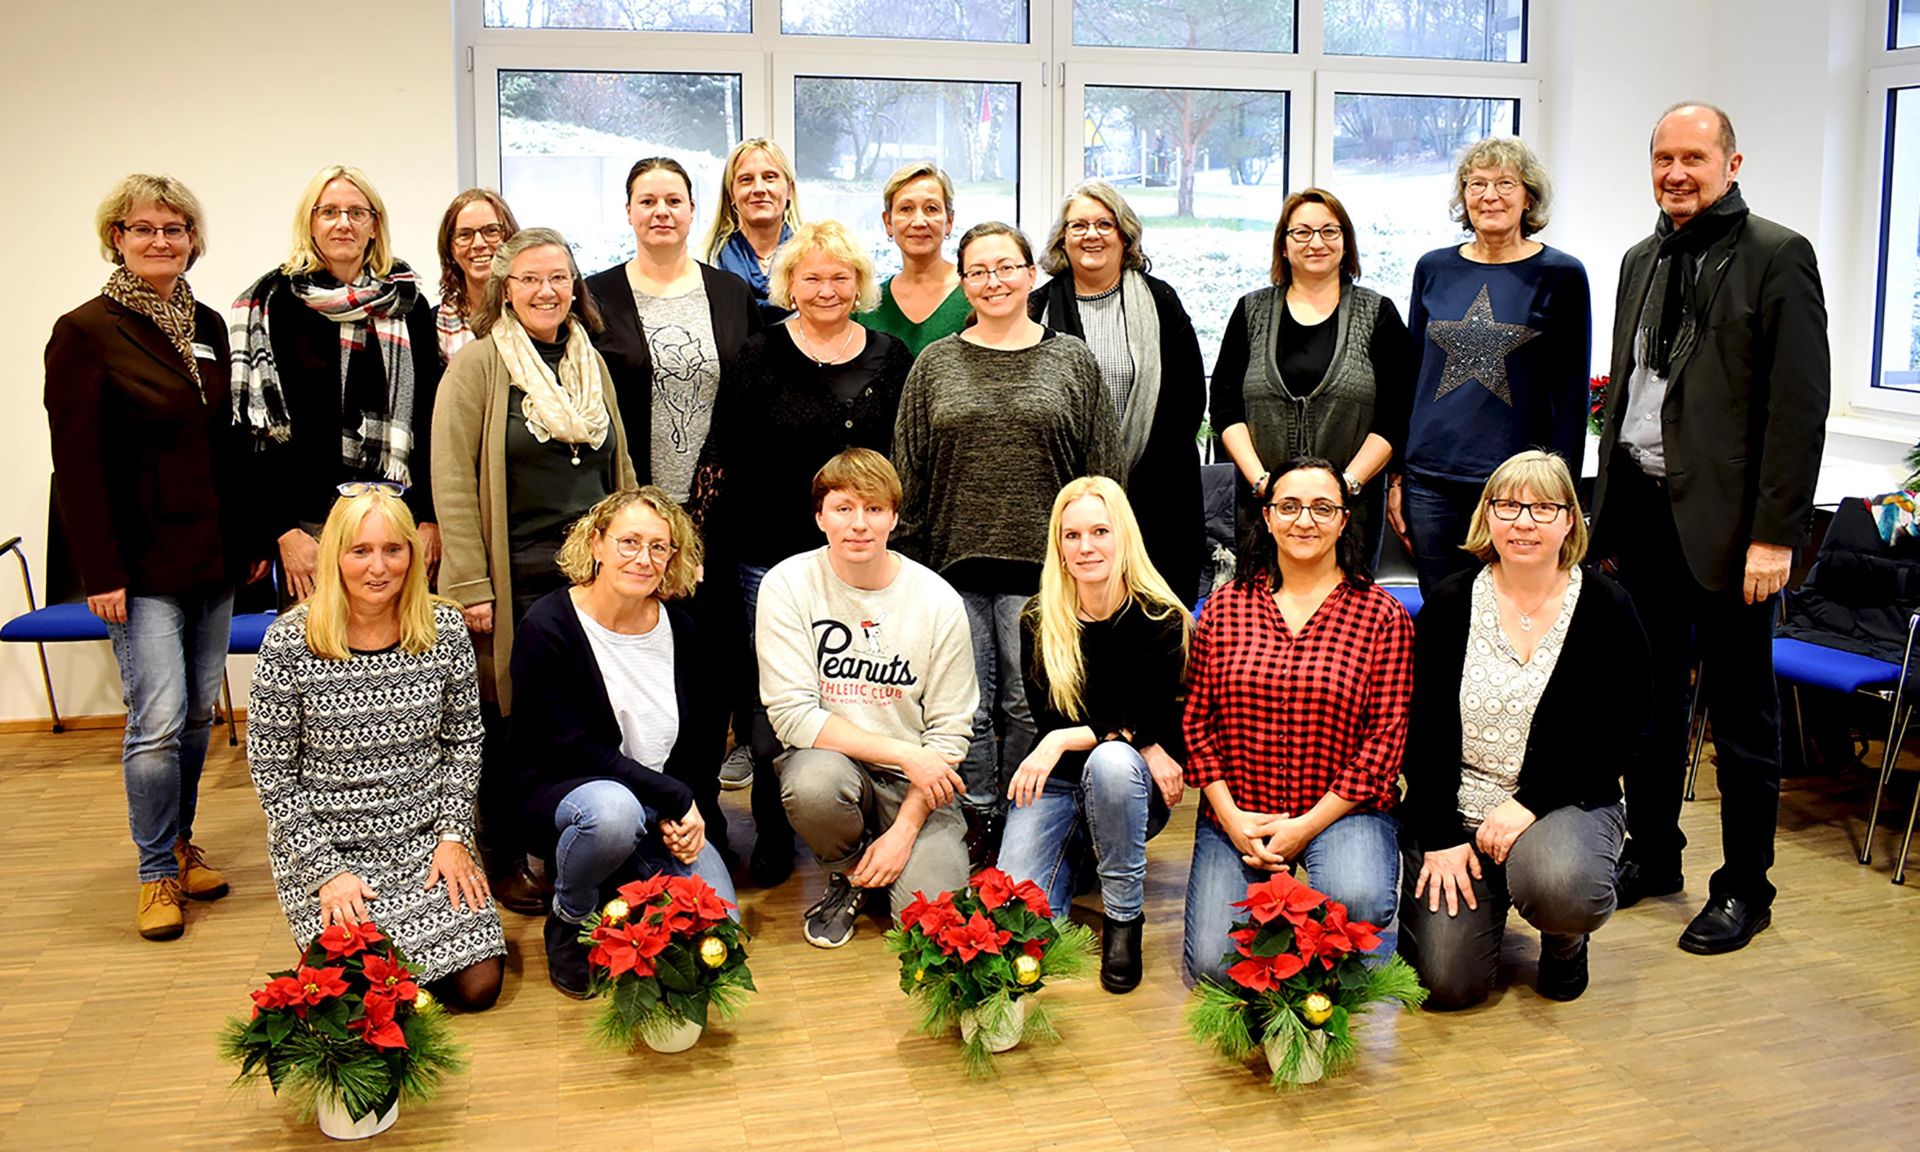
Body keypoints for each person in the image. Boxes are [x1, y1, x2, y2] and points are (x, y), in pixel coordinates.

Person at [1592, 102, 1829, 955]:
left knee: (1741, 717)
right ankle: (1654, 856)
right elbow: (1631, 392)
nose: (1676, 173)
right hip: (1643, 516)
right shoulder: (1639, 259)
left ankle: (1746, 888)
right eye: (1663, 158)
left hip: (1734, 533)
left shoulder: (1776, 256)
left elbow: (1797, 412)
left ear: (1733, 162)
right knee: (1648, 709)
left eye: (1695, 157)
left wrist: (1777, 535)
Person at [44, 174, 262, 940]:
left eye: (175, 228)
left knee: (200, 714)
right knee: (158, 718)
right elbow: (75, 463)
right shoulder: (85, 330)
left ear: (193, 238)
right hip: (136, 566)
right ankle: (153, 874)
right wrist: (98, 572)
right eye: (144, 229)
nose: (161, 241)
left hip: (211, 554)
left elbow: (224, 443)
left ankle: (179, 840)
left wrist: (250, 542)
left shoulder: (204, 322)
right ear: (118, 237)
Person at [892, 221, 1120, 863]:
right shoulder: (935, 362)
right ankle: (979, 818)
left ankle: (1031, 816)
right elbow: (907, 471)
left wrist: (1097, 557)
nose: (993, 281)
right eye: (978, 271)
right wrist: (909, 566)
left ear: (1031, 276)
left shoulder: (1070, 359)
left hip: (1048, 571)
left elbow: (1103, 471)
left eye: (1006, 267)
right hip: (951, 566)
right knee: (967, 709)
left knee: (1028, 704)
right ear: (963, 282)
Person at [431, 226, 638, 913]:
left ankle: (568, 846)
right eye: (529, 279)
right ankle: (501, 854)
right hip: (514, 577)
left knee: (578, 717)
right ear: (505, 289)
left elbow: (621, 469)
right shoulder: (480, 365)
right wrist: (469, 585)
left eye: (559, 277)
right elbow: (453, 482)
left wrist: (637, 550)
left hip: (592, 576)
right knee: (507, 721)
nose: (547, 291)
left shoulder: (590, 362)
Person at [1398, 451, 1649, 1007]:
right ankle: (1484, 895)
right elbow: (1418, 730)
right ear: (1487, 516)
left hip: (1561, 805)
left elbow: (1626, 730)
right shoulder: (1449, 603)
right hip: (1458, 809)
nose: (1524, 521)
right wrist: (1439, 835)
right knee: (1444, 984)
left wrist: (1530, 802)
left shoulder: (1608, 607)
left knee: (1561, 887)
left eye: (1542, 507)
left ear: (1569, 521)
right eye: (1508, 505)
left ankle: (1564, 940)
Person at [246, 487, 505, 1010]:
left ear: (413, 554)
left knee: (479, 988)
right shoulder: (289, 642)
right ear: (333, 556)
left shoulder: (444, 628)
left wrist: (454, 836)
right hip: (330, 846)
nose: (378, 567)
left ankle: (414, 959)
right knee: (362, 995)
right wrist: (326, 871)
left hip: (426, 840)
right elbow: (273, 775)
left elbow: (463, 741)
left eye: (393, 549)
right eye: (360, 551)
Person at [710, 220, 913, 885]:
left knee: (863, 687)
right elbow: (723, 457)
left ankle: (867, 824)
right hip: (768, 560)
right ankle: (773, 827)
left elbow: (907, 463)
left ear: (859, 284)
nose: (825, 288)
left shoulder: (891, 356)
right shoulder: (757, 355)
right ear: (788, 283)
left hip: (862, 562)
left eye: (839, 276)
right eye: (811, 276)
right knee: (774, 697)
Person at [583, 156, 763, 853]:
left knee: (708, 667)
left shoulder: (729, 293)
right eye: (647, 199)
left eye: (674, 200)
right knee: (632, 665)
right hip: (627, 519)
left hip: (716, 517)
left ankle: (702, 805)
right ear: (628, 211)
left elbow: (748, 400)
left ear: (694, 212)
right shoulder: (595, 295)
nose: (661, 211)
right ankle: (635, 808)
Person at [1180, 457, 1411, 987]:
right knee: (1214, 971)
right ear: (1266, 516)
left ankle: (1325, 952)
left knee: (1357, 899)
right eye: (1288, 506)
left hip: (1342, 809)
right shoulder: (1223, 609)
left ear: (1344, 519)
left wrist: (1305, 827)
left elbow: (1385, 744)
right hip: (1242, 808)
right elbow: (1196, 725)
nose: (1304, 520)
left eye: (1322, 507)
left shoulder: (1382, 616)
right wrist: (1232, 819)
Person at [510, 488, 738, 997]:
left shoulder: (683, 628)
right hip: (574, 795)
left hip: (657, 805)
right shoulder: (548, 626)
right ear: (596, 543)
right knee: (613, 815)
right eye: (629, 541)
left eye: (659, 547)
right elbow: (572, 747)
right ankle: (570, 914)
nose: (644, 558)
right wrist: (673, 799)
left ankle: (617, 883)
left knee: (721, 931)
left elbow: (701, 744)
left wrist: (690, 808)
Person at [756, 449, 976, 948]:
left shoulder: (939, 601)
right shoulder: (787, 585)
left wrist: (904, 831)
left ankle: (894, 855)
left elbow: (951, 730)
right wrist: (905, 753)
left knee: (927, 929)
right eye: (843, 508)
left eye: (874, 509)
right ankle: (848, 873)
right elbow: (792, 715)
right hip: (838, 767)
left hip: (916, 785)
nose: (859, 524)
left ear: (894, 518)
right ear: (819, 516)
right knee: (812, 785)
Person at [997, 477, 1189, 994]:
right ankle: (1083, 849)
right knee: (1023, 927)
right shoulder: (1039, 620)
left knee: (1110, 761)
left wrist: (1070, 739)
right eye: (1072, 535)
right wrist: (1122, 728)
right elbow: (1051, 717)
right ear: (1058, 547)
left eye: (1099, 531)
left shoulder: (1163, 618)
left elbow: (1159, 719)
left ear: (1122, 536)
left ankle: (1124, 917)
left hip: (1127, 785)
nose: (1086, 548)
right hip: (1060, 787)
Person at [230, 164, 444, 604]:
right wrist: (283, 530)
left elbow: (429, 417)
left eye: (356, 212)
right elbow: (257, 432)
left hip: (397, 524)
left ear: (374, 225)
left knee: (401, 663)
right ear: (309, 222)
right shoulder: (271, 305)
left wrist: (430, 517)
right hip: (310, 527)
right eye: (328, 212)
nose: (343, 223)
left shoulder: (409, 305)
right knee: (320, 663)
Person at [1394, 137, 1590, 595]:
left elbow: (1571, 391)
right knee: (1442, 607)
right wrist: (1398, 479)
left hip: (1519, 488)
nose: (1489, 196)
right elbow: (1412, 377)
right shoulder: (1433, 268)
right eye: (1476, 183)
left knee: (1515, 604)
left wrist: (1562, 492)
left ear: (1528, 197)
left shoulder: (1561, 274)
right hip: (1431, 479)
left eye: (1505, 183)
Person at [1211, 188, 1414, 565]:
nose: (1316, 242)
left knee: (1346, 620)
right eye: (1302, 232)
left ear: (1345, 243)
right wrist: (1262, 484)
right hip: (1263, 514)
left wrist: (1344, 487)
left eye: (1329, 231)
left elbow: (1396, 415)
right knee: (1260, 617)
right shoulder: (1250, 311)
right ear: (1284, 246)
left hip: (1349, 514)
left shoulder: (1379, 314)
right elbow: (1225, 407)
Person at [1031, 180, 1207, 603]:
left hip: (1159, 494)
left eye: (1103, 224)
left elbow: (1187, 401)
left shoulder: (1161, 300)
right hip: (1068, 497)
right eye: (1078, 226)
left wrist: (1125, 480)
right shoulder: (1036, 309)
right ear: (1062, 239)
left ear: (1124, 236)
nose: (1091, 235)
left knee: (1156, 625)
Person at [859, 162, 971, 357]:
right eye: (906, 209)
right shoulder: (867, 306)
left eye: (931, 208)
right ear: (888, 223)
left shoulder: (976, 296)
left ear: (949, 222)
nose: (919, 222)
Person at [702, 137, 801, 316]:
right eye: (746, 180)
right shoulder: (706, 262)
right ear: (731, 194)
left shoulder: (812, 258)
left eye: (769, 177)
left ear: (790, 190)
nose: (759, 189)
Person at [432, 188, 520, 363]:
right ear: (451, 248)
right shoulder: (435, 323)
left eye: (491, 231)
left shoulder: (532, 311)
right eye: (464, 235)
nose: (479, 244)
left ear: (510, 238)